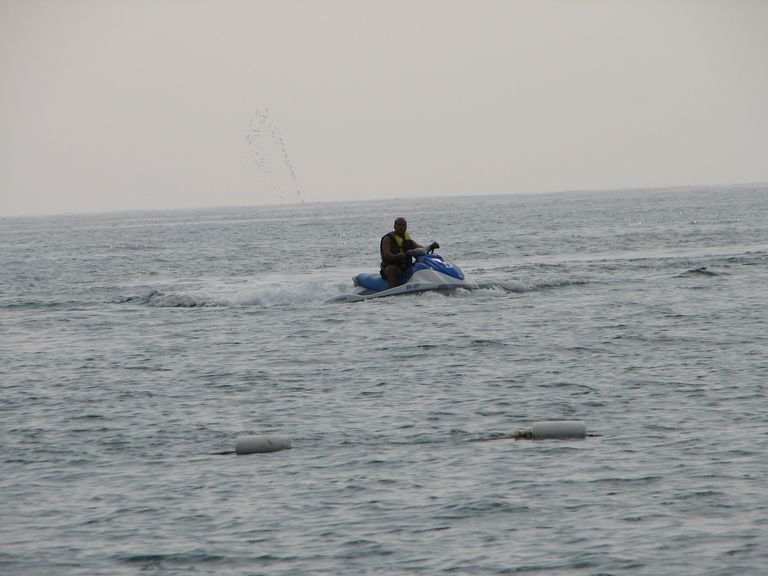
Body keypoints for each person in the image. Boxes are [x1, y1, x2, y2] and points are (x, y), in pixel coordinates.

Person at [380, 217, 439, 288]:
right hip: (391, 267)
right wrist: (395, 256)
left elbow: (420, 249)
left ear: (406, 227)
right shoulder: (388, 239)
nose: (401, 227)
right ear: (394, 226)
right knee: (392, 269)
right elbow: (386, 253)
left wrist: (431, 246)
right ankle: (392, 289)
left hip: (406, 268)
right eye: (399, 225)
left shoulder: (408, 240)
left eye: (403, 225)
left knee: (420, 265)